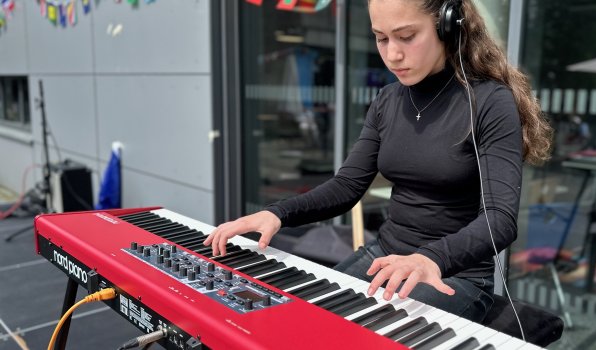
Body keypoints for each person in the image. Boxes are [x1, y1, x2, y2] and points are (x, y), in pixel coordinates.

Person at [204, 0, 552, 323]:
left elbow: (499, 220)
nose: (393, 54)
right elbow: (346, 186)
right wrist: (277, 213)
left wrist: (431, 257)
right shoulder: (388, 99)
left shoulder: (491, 103)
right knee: (298, 320)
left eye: (406, 36)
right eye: (381, 39)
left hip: (453, 273)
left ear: (448, 27)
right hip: (384, 255)